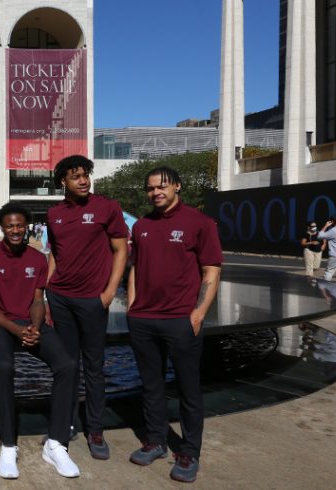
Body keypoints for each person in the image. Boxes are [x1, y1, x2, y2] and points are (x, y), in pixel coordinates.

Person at [126, 166, 222, 483]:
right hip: (144, 320)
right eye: (151, 188)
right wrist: (132, 308)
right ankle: (155, 441)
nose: (156, 192)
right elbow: (135, 268)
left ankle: (189, 451)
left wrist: (197, 314)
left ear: (177, 186)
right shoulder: (140, 226)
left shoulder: (200, 223)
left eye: (162, 186)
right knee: (151, 386)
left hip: (181, 320)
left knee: (188, 390)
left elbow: (211, 272)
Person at [0, 202, 79, 480]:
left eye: (20, 225)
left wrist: (34, 326)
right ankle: (8, 445)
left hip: (29, 322)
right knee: (5, 367)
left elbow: (37, 300)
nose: (15, 230)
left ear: (27, 226)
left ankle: (56, 443)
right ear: (1, 227)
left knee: (67, 365)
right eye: (9, 225)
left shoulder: (37, 259)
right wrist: (16, 330)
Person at [44, 155, 128, 460]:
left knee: (94, 367)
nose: (83, 180)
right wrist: (47, 291)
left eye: (85, 175)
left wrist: (108, 293)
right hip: (61, 299)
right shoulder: (54, 213)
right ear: (62, 182)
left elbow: (121, 251)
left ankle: (95, 428)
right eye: (75, 176)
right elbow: (55, 252)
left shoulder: (107, 207)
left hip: (92, 300)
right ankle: (63, 424)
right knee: (66, 366)